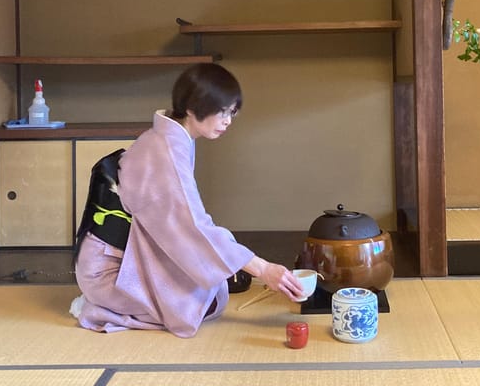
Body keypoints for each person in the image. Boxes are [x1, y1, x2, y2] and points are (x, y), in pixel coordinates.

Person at [71, 63, 305, 337]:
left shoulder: (169, 138)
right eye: (223, 112)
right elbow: (192, 226)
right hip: (109, 272)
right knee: (191, 306)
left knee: (210, 290)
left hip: (121, 255)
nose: (228, 121)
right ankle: (99, 308)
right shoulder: (166, 151)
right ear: (193, 108)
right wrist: (263, 269)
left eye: (232, 113)